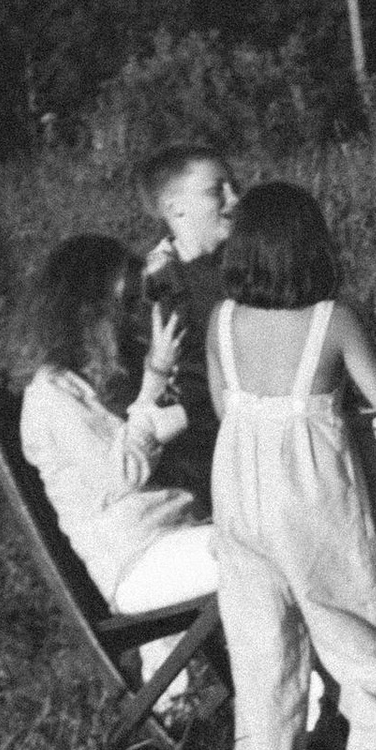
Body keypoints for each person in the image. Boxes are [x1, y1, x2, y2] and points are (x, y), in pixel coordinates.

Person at [206, 179, 376, 750]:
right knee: (360, 628)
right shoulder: (332, 320)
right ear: (314, 248)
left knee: (260, 645)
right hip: (308, 499)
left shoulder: (221, 321)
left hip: (238, 499)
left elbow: (228, 408)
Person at [18, 235, 221, 619]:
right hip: (138, 561)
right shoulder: (51, 396)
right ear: (86, 313)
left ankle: (306, 676)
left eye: (135, 303)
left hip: (181, 534)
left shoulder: (111, 377)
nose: (135, 318)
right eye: (124, 306)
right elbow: (124, 472)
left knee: (279, 529)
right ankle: (309, 679)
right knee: (267, 551)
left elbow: (186, 423)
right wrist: (155, 379)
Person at [137, 141, 238, 507]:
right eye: (217, 191)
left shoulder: (243, 267)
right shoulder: (156, 287)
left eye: (234, 186)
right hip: (202, 463)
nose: (235, 199)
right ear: (174, 208)